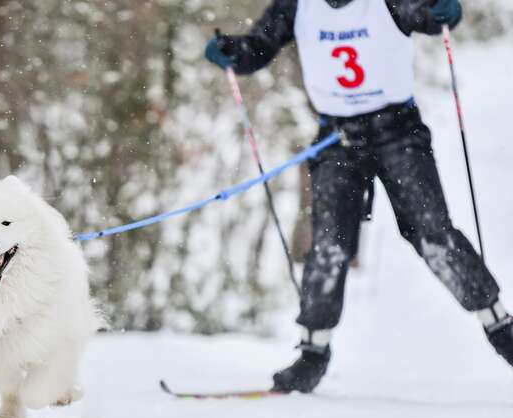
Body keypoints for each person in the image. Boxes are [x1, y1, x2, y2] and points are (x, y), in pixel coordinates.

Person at [204, 0, 513, 393]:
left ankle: (501, 328)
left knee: (433, 233)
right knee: (329, 246)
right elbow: (258, 48)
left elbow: (428, 16)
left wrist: (442, 13)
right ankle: (312, 353)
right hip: (337, 137)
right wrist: (233, 52)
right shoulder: (298, 4)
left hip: (398, 132)